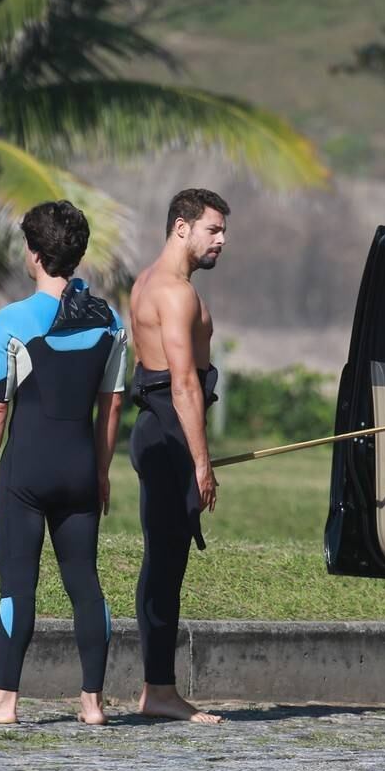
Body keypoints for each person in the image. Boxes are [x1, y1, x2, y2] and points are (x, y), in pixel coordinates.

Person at [0, 201, 128, 726]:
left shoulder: (13, 320)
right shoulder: (109, 319)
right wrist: (99, 471)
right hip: (80, 471)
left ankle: (3, 701)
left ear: (35, 254)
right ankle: (93, 703)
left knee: (17, 583)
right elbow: (110, 405)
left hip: (27, 474)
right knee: (85, 581)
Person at [128, 188, 230, 724]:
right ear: (181, 228)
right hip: (170, 430)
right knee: (166, 563)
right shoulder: (175, 292)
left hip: (155, 428)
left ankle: (156, 686)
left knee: (163, 560)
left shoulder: (146, 281)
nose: (222, 241)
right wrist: (201, 460)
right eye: (213, 230)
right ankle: (159, 690)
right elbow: (184, 382)